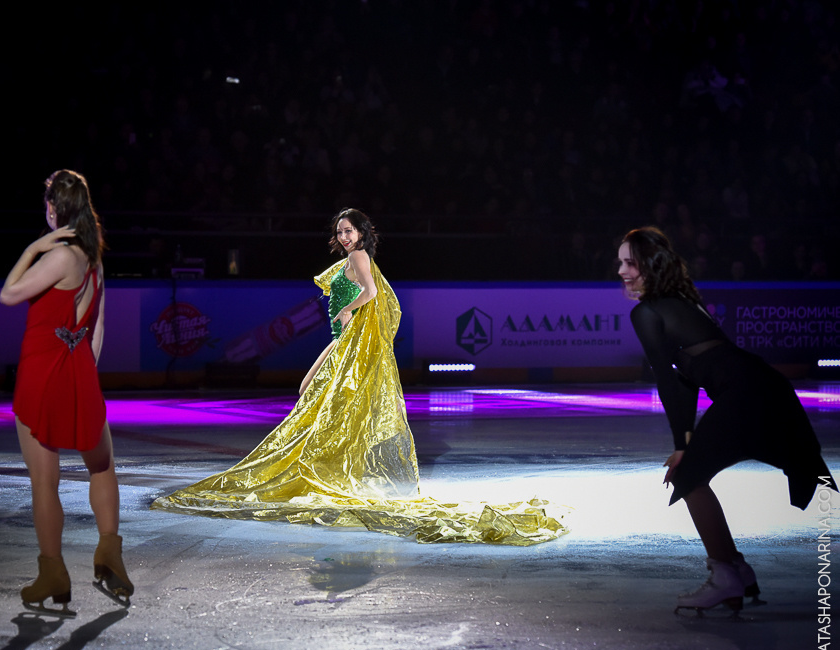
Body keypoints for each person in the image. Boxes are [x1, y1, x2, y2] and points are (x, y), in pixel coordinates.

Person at [153, 208, 566, 545]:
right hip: (340, 345)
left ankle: (329, 468)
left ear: (362, 232)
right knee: (306, 392)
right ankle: (334, 465)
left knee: (314, 399)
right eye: (340, 231)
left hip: (348, 345)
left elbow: (369, 292)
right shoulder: (352, 258)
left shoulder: (360, 258)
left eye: (350, 230)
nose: (345, 236)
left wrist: (349, 311)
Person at [617, 227, 836, 613]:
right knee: (690, 474)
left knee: (687, 478)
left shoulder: (647, 312)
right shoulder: (683, 301)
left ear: (650, 267)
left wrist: (684, 448)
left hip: (746, 394)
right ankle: (735, 570)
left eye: (629, 263)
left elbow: (668, 382)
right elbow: (687, 383)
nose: (620, 271)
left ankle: (726, 575)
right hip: (765, 386)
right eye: (620, 262)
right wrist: (683, 443)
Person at [0, 170, 133, 617]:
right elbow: (97, 330)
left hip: (42, 373)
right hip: (78, 370)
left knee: (45, 480)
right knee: (101, 464)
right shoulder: (94, 260)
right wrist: (82, 374)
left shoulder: (58, 257)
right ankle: (109, 554)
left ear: (54, 209)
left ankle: (53, 572)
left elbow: (9, 294)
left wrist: (34, 247)